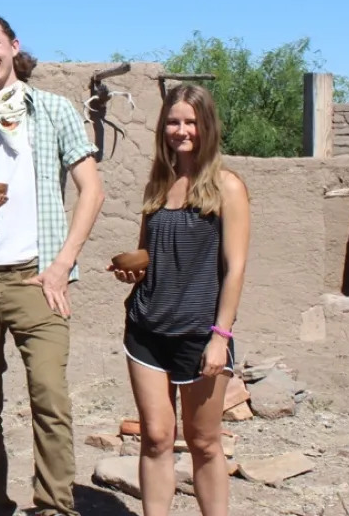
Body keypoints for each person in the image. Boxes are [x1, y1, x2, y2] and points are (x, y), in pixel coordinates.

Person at [0, 13, 105, 516]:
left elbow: (91, 190)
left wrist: (61, 265)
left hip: (36, 277)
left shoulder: (53, 110)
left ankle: (54, 507)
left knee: (50, 401)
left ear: (13, 46)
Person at [108, 84, 249, 516]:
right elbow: (148, 257)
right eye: (173, 121)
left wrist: (220, 336)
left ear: (206, 126)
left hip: (199, 332)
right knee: (155, 437)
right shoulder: (159, 185)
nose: (181, 130)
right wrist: (133, 271)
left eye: (190, 122)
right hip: (147, 329)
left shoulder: (226, 187)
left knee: (205, 443)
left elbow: (235, 268)